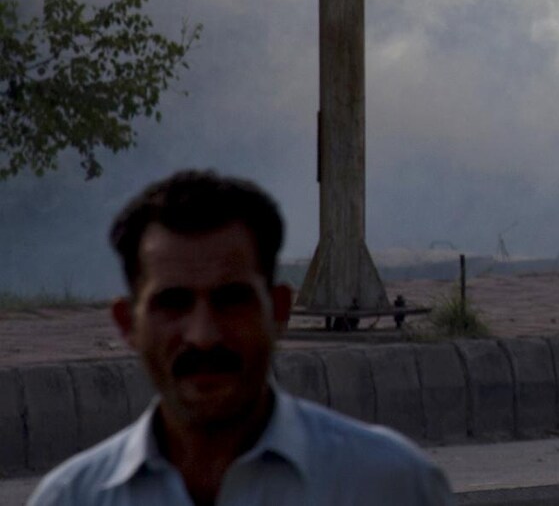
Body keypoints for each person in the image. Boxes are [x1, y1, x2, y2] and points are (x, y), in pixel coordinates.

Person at [29, 171, 451, 506]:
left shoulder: (390, 486)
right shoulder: (71, 497)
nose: (203, 337)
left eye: (231, 300)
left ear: (280, 311)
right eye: (173, 304)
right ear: (128, 323)